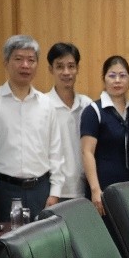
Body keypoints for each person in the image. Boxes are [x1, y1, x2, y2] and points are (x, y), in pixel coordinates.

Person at [0, 35, 66, 220]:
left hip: (40, 190)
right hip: (2, 190)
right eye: (18, 59)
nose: (25, 65)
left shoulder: (47, 104)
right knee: (4, 238)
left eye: (31, 60)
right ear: (6, 62)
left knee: (41, 238)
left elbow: (55, 151)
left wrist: (55, 192)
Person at [81, 55, 129, 215]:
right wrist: (95, 190)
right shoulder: (93, 111)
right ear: (104, 79)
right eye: (112, 75)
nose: (117, 80)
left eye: (122, 76)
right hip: (103, 187)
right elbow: (87, 152)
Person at [45, 42, 90, 201]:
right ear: (51, 69)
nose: (66, 72)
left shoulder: (87, 105)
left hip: (83, 189)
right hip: (54, 191)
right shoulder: (43, 105)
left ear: (78, 68)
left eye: (71, 66)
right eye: (60, 66)